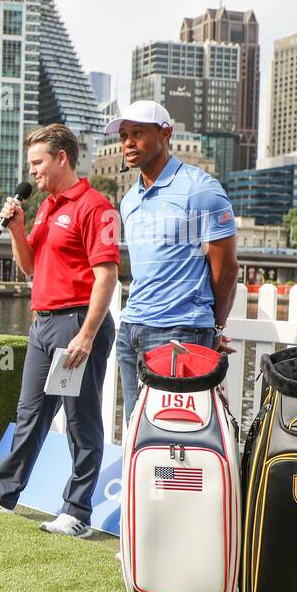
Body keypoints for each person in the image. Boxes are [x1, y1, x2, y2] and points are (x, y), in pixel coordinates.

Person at [0, 124, 119, 538]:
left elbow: (107, 276)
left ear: (62, 158)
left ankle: (77, 513)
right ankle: (2, 493)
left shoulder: (95, 207)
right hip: (43, 324)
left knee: (81, 421)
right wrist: (16, 227)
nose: (32, 172)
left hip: (75, 324)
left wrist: (86, 335)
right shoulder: (45, 207)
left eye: (37, 162)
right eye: (31, 164)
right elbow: (30, 267)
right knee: (30, 415)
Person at [109, 100, 239, 422]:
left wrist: (215, 327)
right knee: (137, 432)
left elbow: (226, 269)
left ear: (165, 133)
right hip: (131, 330)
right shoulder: (129, 199)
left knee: (174, 439)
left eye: (137, 133)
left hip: (179, 331)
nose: (127, 143)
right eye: (123, 135)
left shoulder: (201, 190)